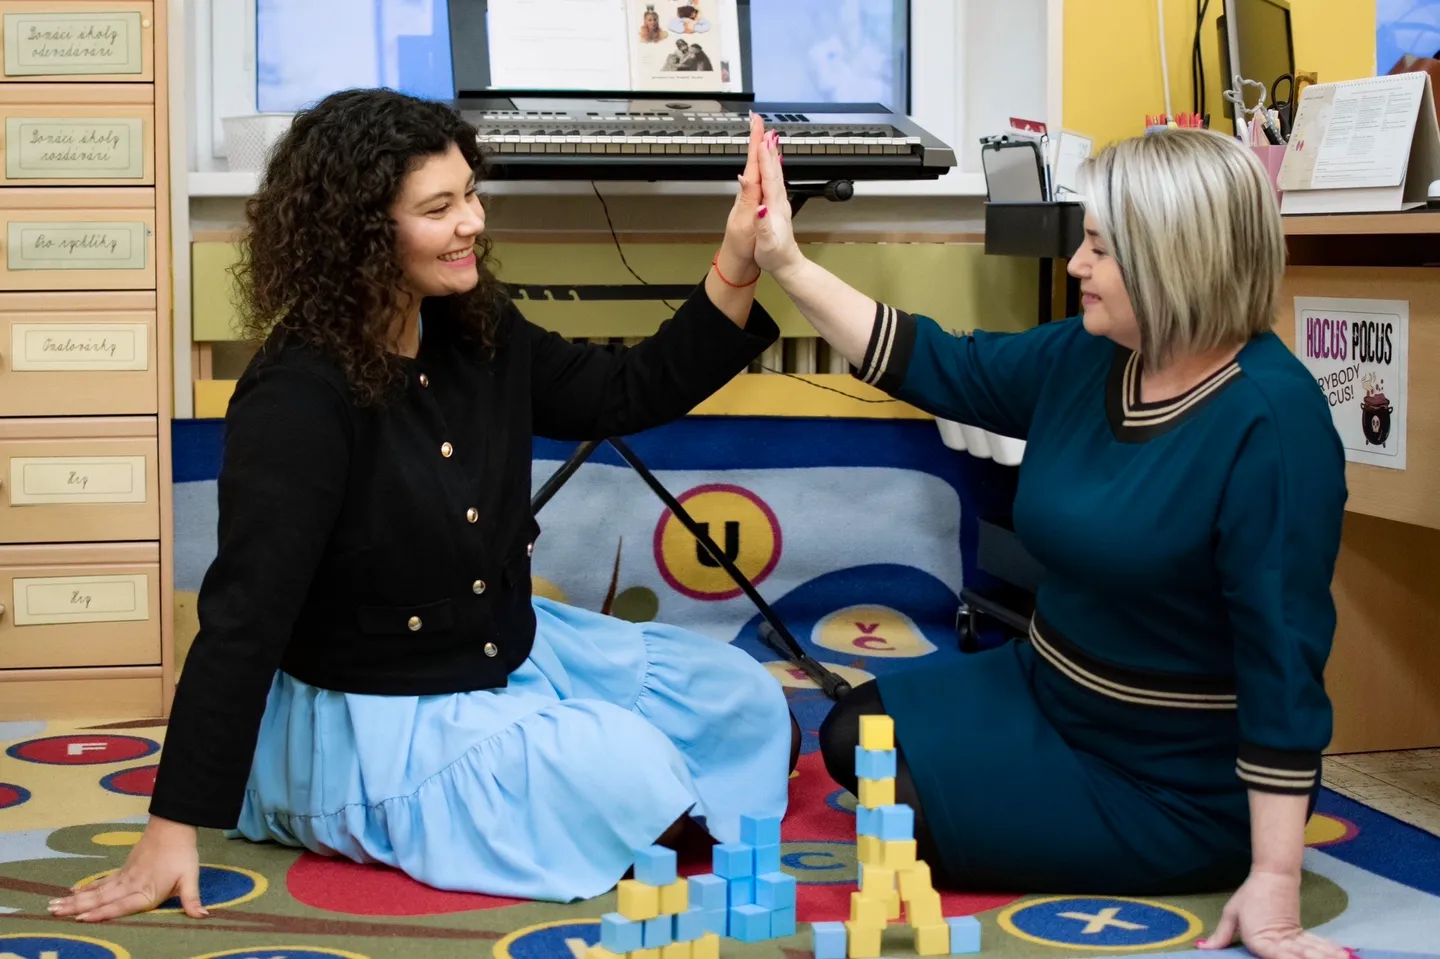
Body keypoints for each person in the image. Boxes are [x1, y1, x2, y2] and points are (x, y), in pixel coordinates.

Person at [49, 92, 797, 923]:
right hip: (377, 712)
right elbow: (244, 616)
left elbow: (620, 391)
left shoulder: (473, 323)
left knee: (742, 700)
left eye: (470, 193)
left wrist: (739, 255)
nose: (472, 221)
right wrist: (171, 825)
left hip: (501, 651)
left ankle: (574, 749)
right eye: (439, 209)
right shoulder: (297, 394)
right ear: (361, 233)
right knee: (630, 772)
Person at [746, 128, 1351, 959]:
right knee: (855, 733)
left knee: (907, 810)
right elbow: (938, 362)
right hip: (1047, 691)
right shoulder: (1094, 353)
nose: (1075, 265)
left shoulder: (1273, 422)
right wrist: (785, 261)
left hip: (1169, 781)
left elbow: (1284, 664)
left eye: (1099, 248)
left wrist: (1277, 877)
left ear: (1173, 258)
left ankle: (1197, 847)